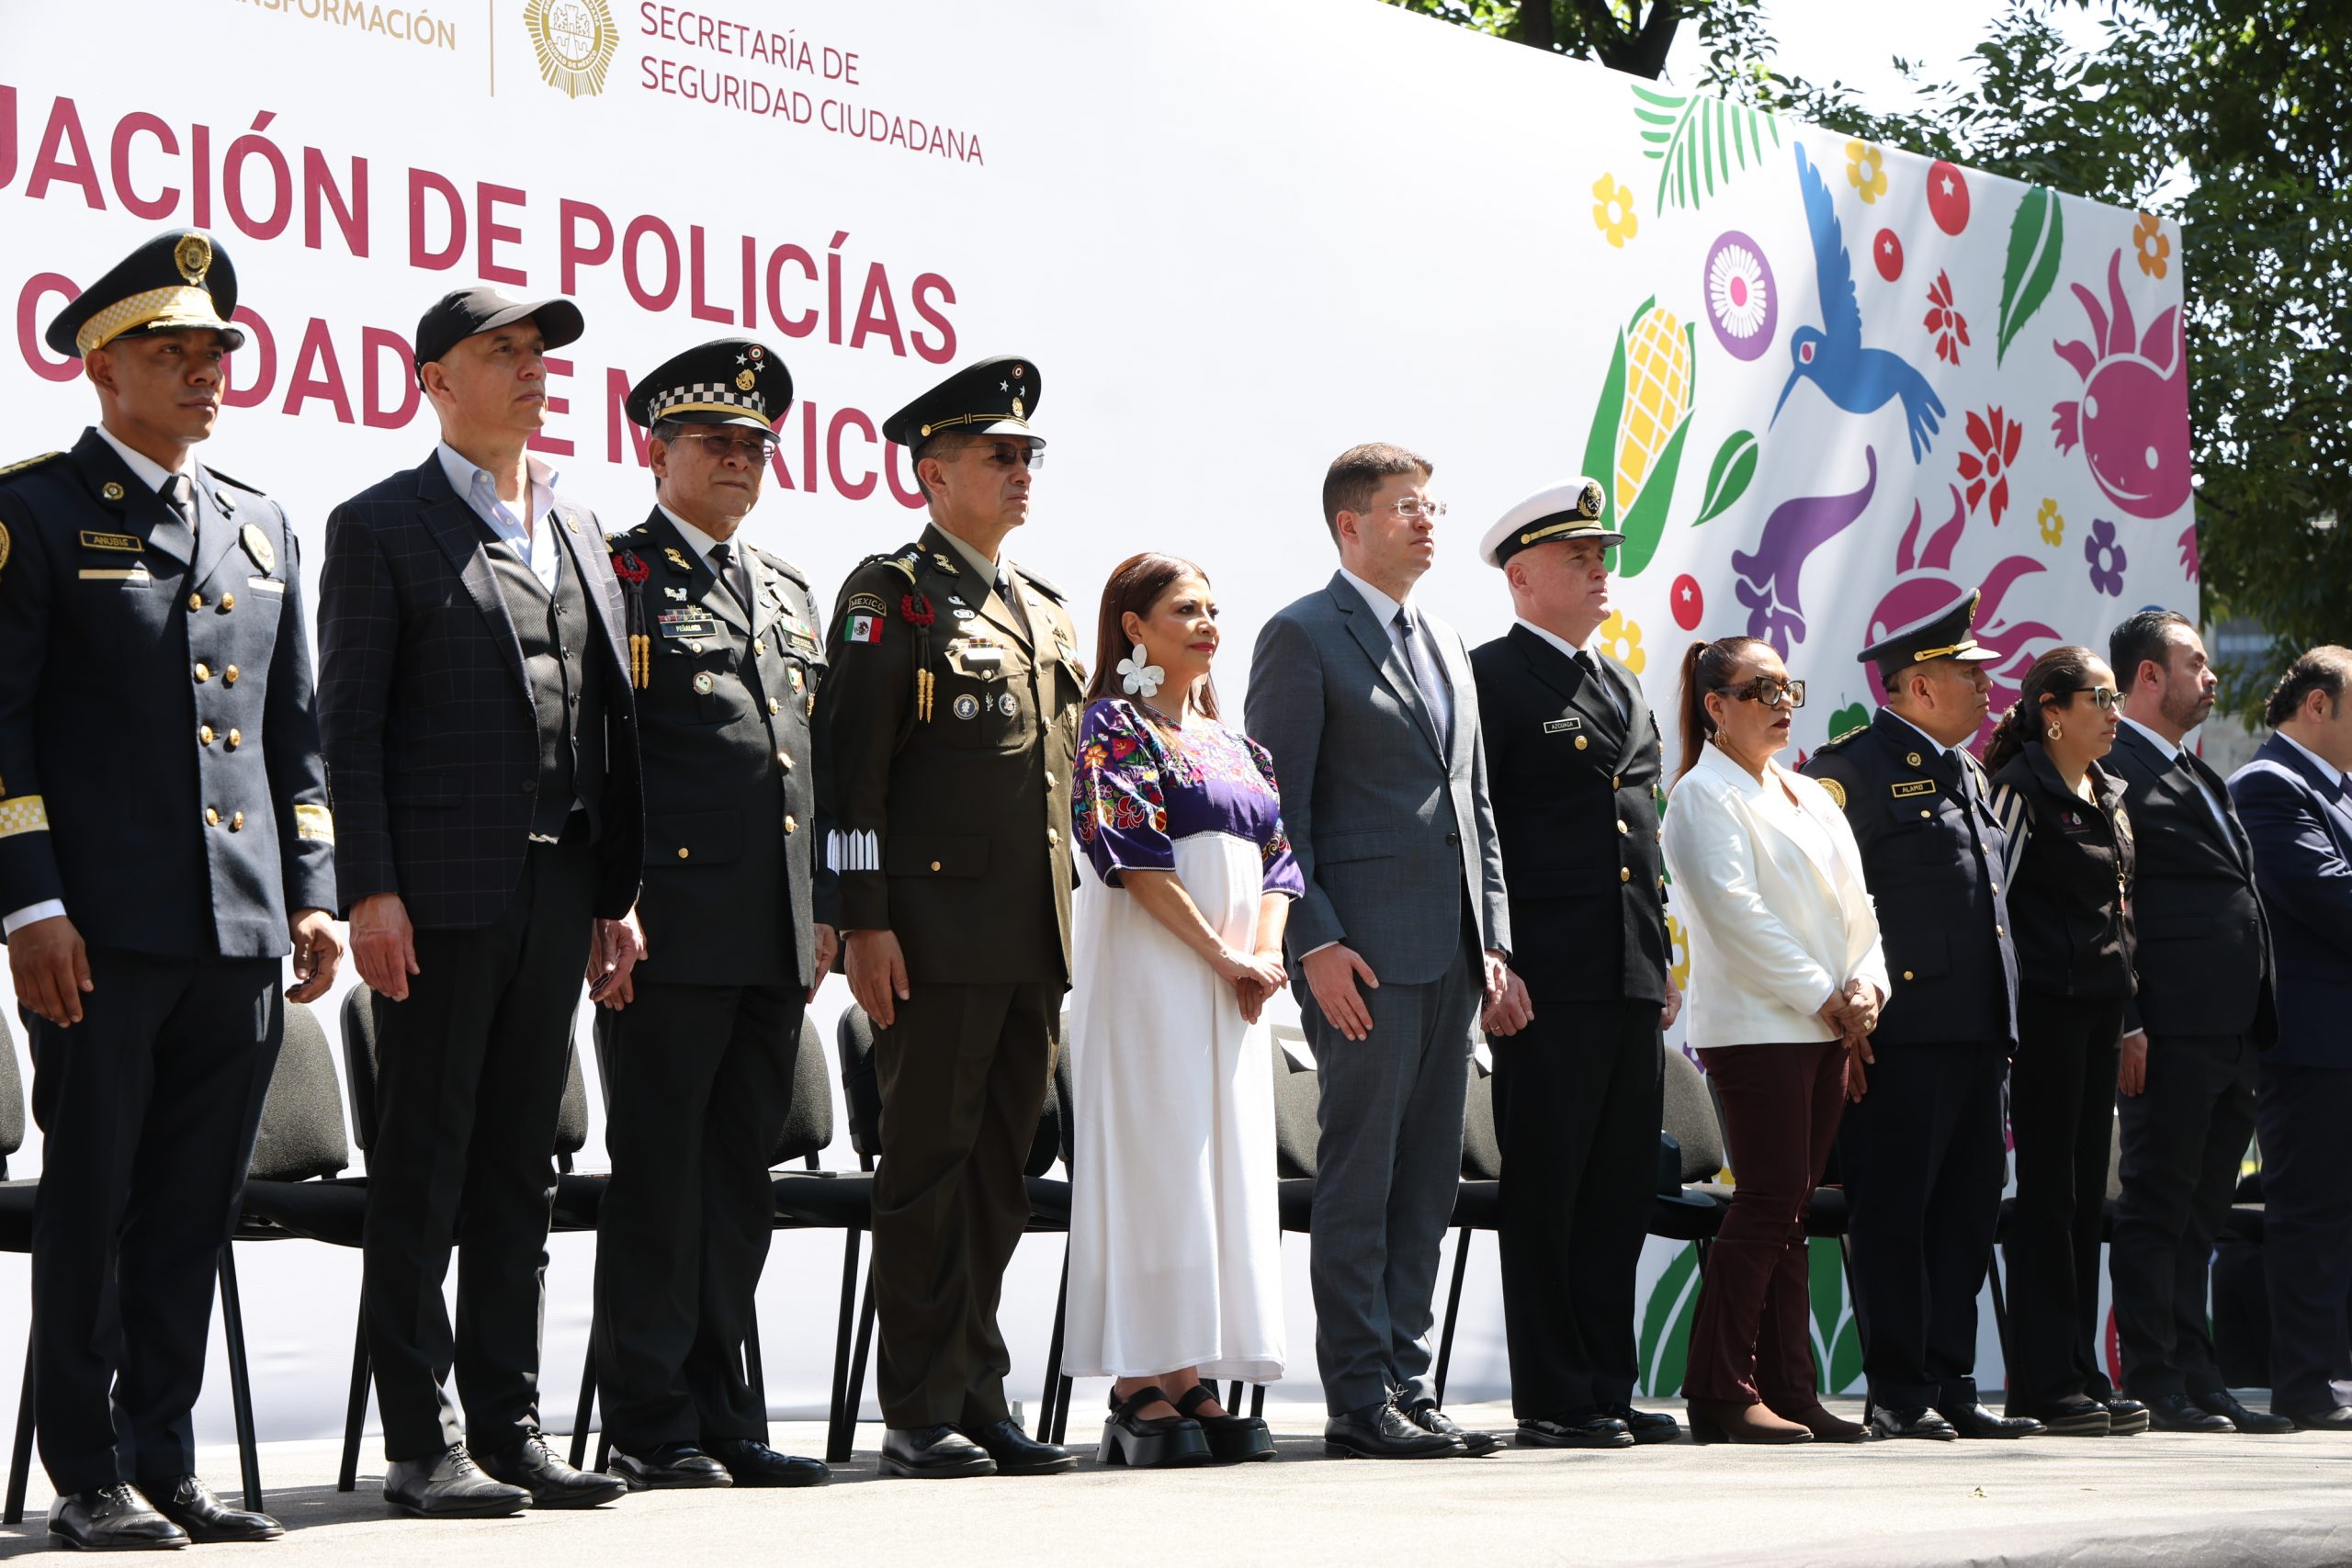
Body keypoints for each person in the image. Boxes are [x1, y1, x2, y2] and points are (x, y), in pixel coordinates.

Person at [0, 230, 341, 1550]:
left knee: (194, 1205)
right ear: (101, 364)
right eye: (171, 350)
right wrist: (30, 906)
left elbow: (291, 731)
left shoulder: (257, 521)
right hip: (98, 934)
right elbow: (2, 730)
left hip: (242, 930)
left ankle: (164, 1454)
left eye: (215, 352)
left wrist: (311, 888)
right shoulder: (31, 513)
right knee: (93, 1203)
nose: (204, 371)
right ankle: (83, 1467)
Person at [319, 286, 643, 1516]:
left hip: (559, 887)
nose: (529, 369)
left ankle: (513, 1425)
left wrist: (616, 892)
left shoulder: (574, 522)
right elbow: (348, 728)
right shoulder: (381, 525)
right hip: (438, 900)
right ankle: (423, 1437)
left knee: (523, 1162)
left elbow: (600, 725)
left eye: (539, 352)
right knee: (425, 1162)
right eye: (498, 351)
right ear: (434, 380)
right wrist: (371, 888)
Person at [815, 356, 1085, 1480]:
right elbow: (851, 779)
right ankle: (918, 1404)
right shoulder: (893, 595)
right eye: (997, 455)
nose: (1020, 471)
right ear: (932, 472)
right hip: (929, 940)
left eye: (1028, 455)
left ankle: (979, 1391)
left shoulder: (1044, 608)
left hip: (1031, 939)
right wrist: (863, 922)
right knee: (925, 1170)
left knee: (1001, 1175)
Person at [588, 340, 834, 1489]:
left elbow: (816, 768)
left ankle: (727, 1410)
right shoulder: (614, 572)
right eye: (714, 443)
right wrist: (609, 903)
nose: (739, 461)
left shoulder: (784, 586)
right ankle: (650, 1417)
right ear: (657, 452)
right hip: (665, 933)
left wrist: (832, 903)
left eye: (754, 447)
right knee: (658, 1182)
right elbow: (596, 756)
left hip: (773, 933)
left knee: (740, 1184)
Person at [1245, 442, 1518, 1461]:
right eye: (1406, 506)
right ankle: (1359, 1397)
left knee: (1426, 1184)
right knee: (1359, 1181)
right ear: (1348, 526)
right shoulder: (1302, 636)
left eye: (1433, 504)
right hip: (1356, 956)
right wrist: (1312, 940)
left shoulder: (1446, 639)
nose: (1427, 520)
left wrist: (1492, 940)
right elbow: (1281, 815)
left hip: (1450, 956)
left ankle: (1409, 1381)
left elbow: (1474, 809)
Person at [1064, 553, 1297, 1468]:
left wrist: (1265, 955)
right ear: (1134, 626)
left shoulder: (1240, 745)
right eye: (1184, 608)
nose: (1206, 623)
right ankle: (1137, 1378)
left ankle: (1189, 1364)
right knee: (1157, 1158)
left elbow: (1279, 859)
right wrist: (1221, 953)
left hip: (1236, 985)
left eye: (1212, 608)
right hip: (1156, 972)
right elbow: (1130, 856)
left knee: (1217, 1164)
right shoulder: (1112, 727)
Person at [1467, 479, 1681, 1450]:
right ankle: (1553, 1393)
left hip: (1627, 969)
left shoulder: (1622, 683)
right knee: (1549, 1188)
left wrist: (1660, 953)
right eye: (1578, 558)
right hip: (1544, 973)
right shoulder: (1488, 679)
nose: (1601, 571)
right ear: (1522, 577)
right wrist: (1492, 955)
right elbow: (1476, 835)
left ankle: (1605, 1379)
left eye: (1604, 556)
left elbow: (1640, 832)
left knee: (1617, 1188)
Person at [1803, 589, 2038, 1441]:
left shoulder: (1970, 772)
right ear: (1914, 686)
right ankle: (1898, 1389)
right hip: (1898, 1036)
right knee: (1895, 1213)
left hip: (1979, 1030)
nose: (1988, 688)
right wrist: (1843, 1017)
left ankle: (1952, 1382)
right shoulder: (1851, 769)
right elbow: (1817, 898)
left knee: (1968, 1213)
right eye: (1968, 674)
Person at [1660, 637, 1884, 1445]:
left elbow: (1860, 909)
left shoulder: (1807, 792)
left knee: (1790, 1208)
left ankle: (1791, 1388)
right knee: (1768, 1198)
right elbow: (1735, 916)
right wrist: (1827, 995)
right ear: (1715, 706)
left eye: (1788, 685)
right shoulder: (1699, 796)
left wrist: (1866, 987)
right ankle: (1719, 1387)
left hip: (1824, 1027)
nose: (1782, 701)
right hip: (1759, 1028)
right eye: (1761, 689)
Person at [2101, 610, 2287, 1434]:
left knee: (2203, 1210)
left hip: (2232, 1030)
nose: (2211, 677)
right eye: (2196, 663)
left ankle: (2197, 1367)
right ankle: (2154, 1372)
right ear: (2149, 676)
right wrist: (2130, 1018)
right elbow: (2114, 905)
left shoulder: (2200, 774)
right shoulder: (2116, 769)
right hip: (2169, 1029)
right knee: (2158, 1204)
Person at [1983, 647, 2149, 1438]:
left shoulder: (2109, 791)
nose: (2115, 710)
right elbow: (1993, 905)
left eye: (2118, 697)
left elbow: (2119, 912)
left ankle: (2080, 1369)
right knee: (2048, 1195)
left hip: (2101, 1013)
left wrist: (2133, 1015)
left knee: (2089, 1198)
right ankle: (2041, 1380)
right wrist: (2005, 1022)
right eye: (2100, 696)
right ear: (2052, 707)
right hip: (2045, 1015)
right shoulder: (2019, 788)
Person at [2226, 648, 2352, 1431]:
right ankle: (2312, 1382)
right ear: (2317, 706)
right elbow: (2331, 896)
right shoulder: (2269, 787)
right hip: (2312, 1043)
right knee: (2311, 1212)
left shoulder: (2335, 791)